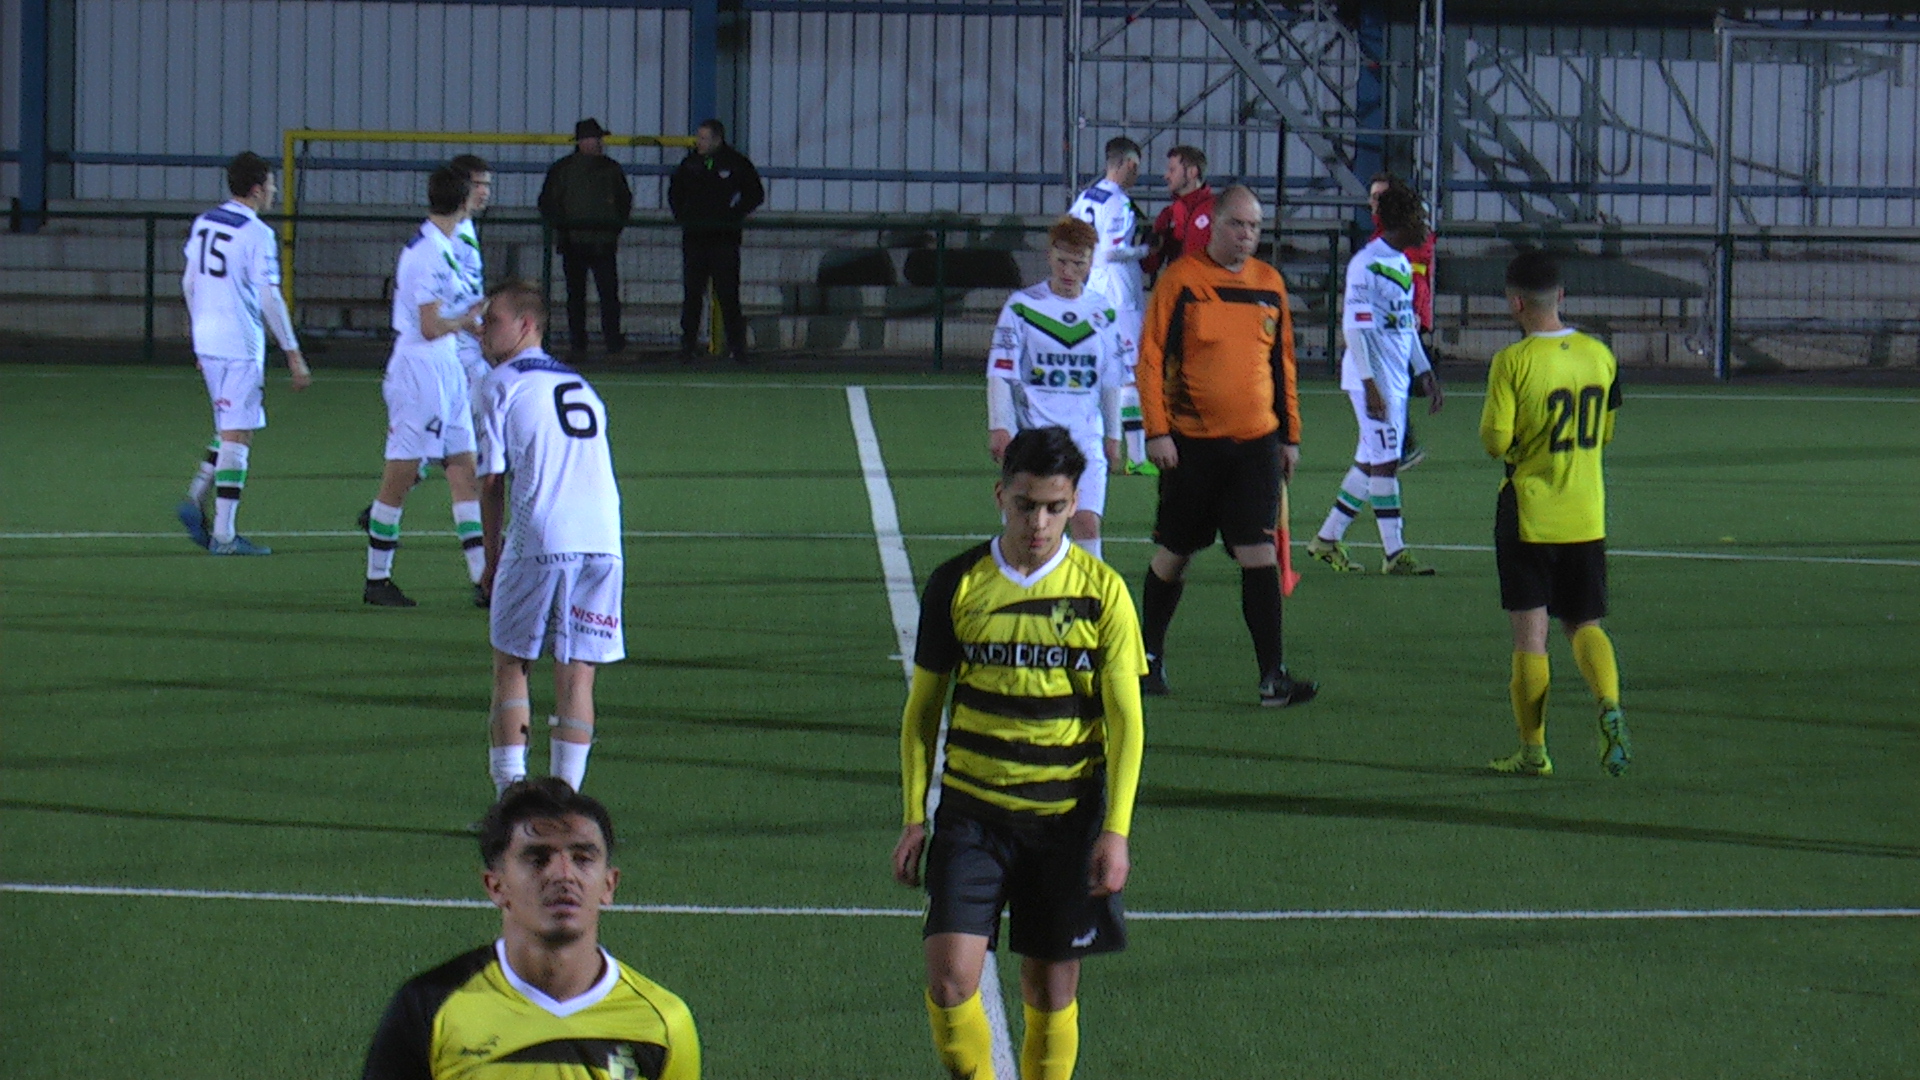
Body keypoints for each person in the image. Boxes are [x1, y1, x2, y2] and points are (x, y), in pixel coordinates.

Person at [891, 426, 1145, 1080]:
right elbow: (922, 712)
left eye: (1055, 508)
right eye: (1026, 505)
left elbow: (1126, 722)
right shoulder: (956, 583)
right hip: (972, 817)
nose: (1039, 523)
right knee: (950, 982)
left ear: (1074, 503)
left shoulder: (1103, 593)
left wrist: (1115, 831)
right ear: (1000, 494)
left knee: (1050, 992)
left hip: (1065, 823)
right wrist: (914, 817)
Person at [360, 778, 700, 1080]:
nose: (563, 875)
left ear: (609, 885)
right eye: (538, 859)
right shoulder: (429, 1006)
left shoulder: (663, 1023)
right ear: (496, 886)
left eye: (582, 859)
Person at [1132, 186, 1316, 707]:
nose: (1247, 235)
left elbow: (1283, 365)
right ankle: (1148, 659)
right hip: (1190, 447)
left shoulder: (1269, 283)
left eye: (1254, 226)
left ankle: (1272, 676)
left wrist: (1290, 435)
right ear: (1213, 225)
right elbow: (1150, 358)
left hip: (1256, 445)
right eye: (1237, 224)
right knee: (1175, 554)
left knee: (1260, 555)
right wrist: (1157, 430)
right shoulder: (1181, 280)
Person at [1479, 251, 1630, 778]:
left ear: (1515, 303)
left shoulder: (1512, 361)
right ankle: (1609, 703)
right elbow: (1606, 431)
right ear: (1560, 296)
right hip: (1586, 513)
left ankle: (1533, 751)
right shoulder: (1600, 354)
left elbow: (1495, 442)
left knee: (1531, 637)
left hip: (1530, 514)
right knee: (1584, 623)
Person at [473, 281, 625, 795]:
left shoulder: (498, 384)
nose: (481, 330)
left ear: (526, 325)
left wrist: (490, 559)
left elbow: (491, 482)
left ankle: (510, 800)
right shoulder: (581, 384)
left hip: (542, 537)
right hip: (604, 541)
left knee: (512, 663)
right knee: (578, 672)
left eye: (492, 320)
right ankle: (566, 803)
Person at [361, 166, 488, 608]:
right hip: (420, 371)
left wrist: (469, 318)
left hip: (444, 365)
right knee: (399, 475)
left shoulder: (440, 244)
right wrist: (467, 321)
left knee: (464, 469)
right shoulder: (429, 252)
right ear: (463, 199)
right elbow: (430, 326)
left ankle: (482, 578)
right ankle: (377, 578)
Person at [175, 151, 309, 556]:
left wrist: (197, 334)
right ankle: (224, 535)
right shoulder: (257, 234)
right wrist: (292, 351)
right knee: (238, 434)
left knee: (230, 425)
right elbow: (269, 297)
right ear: (255, 189)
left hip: (208, 336)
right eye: (270, 184)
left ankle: (196, 495)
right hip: (239, 342)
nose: (274, 191)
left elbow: (188, 282)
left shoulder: (205, 222)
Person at [1306, 184, 1443, 576]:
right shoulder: (1366, 264)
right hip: (1373, 379)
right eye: (1421, 219)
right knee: (1386, 463)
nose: (1426, 228)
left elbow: (1405, 326)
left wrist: (1424, 371)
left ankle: (1326, 540)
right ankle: (1394, 552)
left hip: (1393, 378)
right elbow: (1355, 329)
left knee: (1369, 462)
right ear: (1403, 221)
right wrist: (1370, 386)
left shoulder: (1400, 263)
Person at [986, 216, 1129, 561]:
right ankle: (1020, 584)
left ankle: (1089, 590)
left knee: (1087, 523)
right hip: (1034, 436)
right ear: (1049, 255)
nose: (1069, 271)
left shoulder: (1102, 312)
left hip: (1085, 437)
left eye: (1078, 263)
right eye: (1062, 261)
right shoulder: (1022, 306)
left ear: (1090, 262)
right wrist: (999, 426)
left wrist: (1113, 435)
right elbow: (1001, 370)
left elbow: (1111, 379)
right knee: (1029, 528)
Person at [1068, 137, 1149, 474]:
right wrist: (1145, 250)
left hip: (1094, 288)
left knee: (1097, 367)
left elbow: (1071, 238)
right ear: (1129, 164)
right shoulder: (1118, 201)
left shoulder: (1087, 196)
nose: (1137, 175)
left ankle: (1085, 445)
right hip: (1119, 290)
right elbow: (1111, 251)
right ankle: (1138, 458)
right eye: (1137, 168)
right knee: (1130, 372)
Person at [668, 119, 764, 363]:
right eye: (698, 137)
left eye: (703, 138)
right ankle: (688, 345)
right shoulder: (690, 164)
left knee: (728, 294)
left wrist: (733, 214)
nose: (698, 142)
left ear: (717, 139)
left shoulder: (736, 163)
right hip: (695, 239)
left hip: (724, 240)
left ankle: (737, 347)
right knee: (692, 294)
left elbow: (755, 193)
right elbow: (675, 192)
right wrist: (684, 216)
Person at [539, 119, 633, 355]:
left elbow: (624, 202)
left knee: (595, 296)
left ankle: (594, 343)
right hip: (584, 242)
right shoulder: (603, 169)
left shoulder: (568, 169)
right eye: (595, 138)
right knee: (587, 296)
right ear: (582, 141)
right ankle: (592, 343)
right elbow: (548, 203)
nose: (599, 143)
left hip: (593, 242)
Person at [1368, 173, 1439, 469]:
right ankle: (1396, 444)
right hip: (1393, 319)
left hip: (1399, 318)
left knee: (1388, 381)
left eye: (1380, 197)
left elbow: (1413, 278)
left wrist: (1413, 311)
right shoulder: (1384, 237)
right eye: (1372, 197)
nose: (1374, 203)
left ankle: (1400, 446)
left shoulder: (1399, 238)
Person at [1142, 144, 1214, 280]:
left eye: (1172, 170)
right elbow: (1150, 266)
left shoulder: (1218, 210)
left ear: (1192, 172)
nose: (1166, 176)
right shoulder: (1168, 215)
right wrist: (1151, 247)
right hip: (1179, 287)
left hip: (1210, 287)